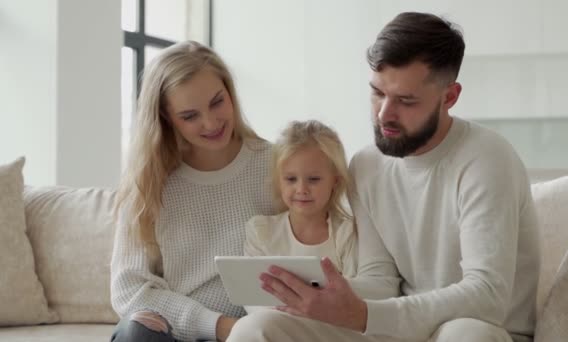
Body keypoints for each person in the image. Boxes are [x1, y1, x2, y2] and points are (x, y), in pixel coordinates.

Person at [227, 12, 540, 342]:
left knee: (465, 334)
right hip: (395, 330)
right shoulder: (367, 164)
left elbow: (487, 296)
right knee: (258, 328)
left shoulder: (486, 158)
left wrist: (364, 315)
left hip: (476, 328)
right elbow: (381, 280)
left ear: (449, 97)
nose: (383, 114)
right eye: (377, 92)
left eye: (406, 100)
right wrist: (315, 297)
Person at [110, 41, 275, 342]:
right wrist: (219, 326)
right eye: (189, 116)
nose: (210, 123)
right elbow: (129, 288)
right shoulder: (148, 185)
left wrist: (248, 331)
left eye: (217, 102)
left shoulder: (278, 167)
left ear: (230, 92)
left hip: (256, 333)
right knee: (136, 331)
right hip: (180, 334)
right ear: (165, 117)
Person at [243, 120, 357, 313]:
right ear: (279, 181)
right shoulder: (261, 231)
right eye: (291, 179)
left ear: (335, 182)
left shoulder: (345, 233)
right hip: (274, 327)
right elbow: (252, 298)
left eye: (313, 179)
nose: (301, 189)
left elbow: (353, 296)